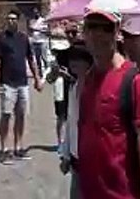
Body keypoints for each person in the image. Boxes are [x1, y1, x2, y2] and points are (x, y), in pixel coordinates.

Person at [76, 8, 140, 199]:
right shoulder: (88, 79)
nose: (97, 34)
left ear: (117, 33)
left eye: (105, 28)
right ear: (84, 33)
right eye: (92, 27)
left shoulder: (135, 81)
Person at [0, 9, 43, 164]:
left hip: (22, 83)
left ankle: (18, 147)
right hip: (7, 83)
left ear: (18, 21)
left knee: (21, 115)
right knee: (6, 115)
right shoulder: (1, 38)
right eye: (8, 19)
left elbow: (31, 59)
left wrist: (37, 79)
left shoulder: (23, 38)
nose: (10, 21)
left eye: (13, 19)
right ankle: (4, 149)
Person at [54, 40, 93, 199]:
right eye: (72, 58)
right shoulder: (73, 87)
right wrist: (66, 155)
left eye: (79, 58)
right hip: (76, 158)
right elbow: (71, 124)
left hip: (92, 159)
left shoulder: (96, 88)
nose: (73, 62)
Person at [45, 38, 71, 147]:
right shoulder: (54, 64)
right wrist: (56, 73)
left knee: (70, 116)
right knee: (61, 116)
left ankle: (69, 141)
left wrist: (67, 75)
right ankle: (60, 141)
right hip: (59, 91)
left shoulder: (71, 60)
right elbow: (49, 79)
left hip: (70, 90)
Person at [28, 6, 50, 75]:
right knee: (37, 58)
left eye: (36, 12)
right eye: (34, 13)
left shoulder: (43, 21)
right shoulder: (31, 21)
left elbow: (47, 31)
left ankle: (48, 72)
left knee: (44, 57)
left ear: (39, 12)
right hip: (35, 42)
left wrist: (37, 30)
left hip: (42, 41)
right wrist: (31, 31)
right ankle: (40, 73)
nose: (35, 14)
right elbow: (30, 31)